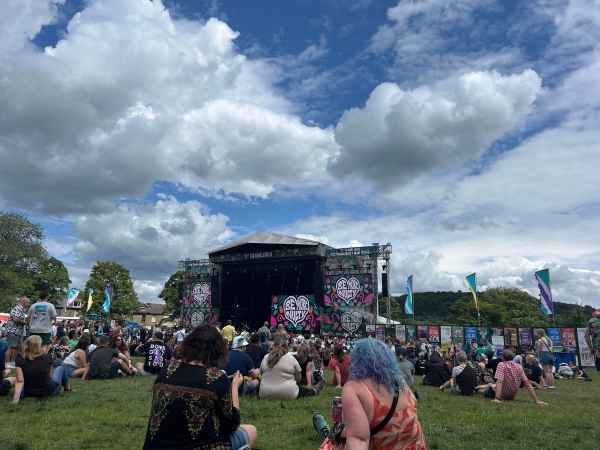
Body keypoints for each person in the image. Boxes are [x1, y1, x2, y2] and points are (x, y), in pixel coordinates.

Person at [142, 323, 257, 450]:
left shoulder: (166, 370)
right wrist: (234, 387)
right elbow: (233, 424)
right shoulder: (217, 377)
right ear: (218, 350)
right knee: (251, 430)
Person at [312, 338, 426, 449]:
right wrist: (350, 408)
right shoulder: (401, 382)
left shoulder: (353, 388)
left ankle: (329, 435)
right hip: (414, 445)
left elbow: (359, 440)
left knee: (333, 442)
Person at [259, 335, 324, 400]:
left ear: (273, 346)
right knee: (302, 389)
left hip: (264, 393)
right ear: (286, 346)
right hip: (289, 393)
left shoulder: (265, 358)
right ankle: (314, 391)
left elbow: (261, 374)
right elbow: (298, 379)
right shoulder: (291, 358)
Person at [12, 335, 73, 403]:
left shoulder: (20, 360)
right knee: (60, 368)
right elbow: (49, 375)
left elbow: (19, 381)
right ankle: (68, 388)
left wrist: (16, 399)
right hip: (49, 392)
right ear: (39, 345)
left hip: (28, 394)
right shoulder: (47, 357)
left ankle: (27, 395)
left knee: (22, 382)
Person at [475, 349, 548, 405]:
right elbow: (527, 383)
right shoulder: (518, 366)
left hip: (497, 392)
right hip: (510, 395)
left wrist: (497, 398)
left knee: (481, 391)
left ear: (503, 358)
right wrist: (537, 400)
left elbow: (499, 381)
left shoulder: (501, 364)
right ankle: (485, 385)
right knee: (491, 385)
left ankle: (476, 388)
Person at [4, 297, 31, 368]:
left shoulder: (21, 310)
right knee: (11, 347)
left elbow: (18, 318)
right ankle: (7, 362)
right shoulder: (18, 308)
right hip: (13, 331)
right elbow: (16, 319)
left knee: (19, 347)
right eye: (28, 303)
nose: (29, 305)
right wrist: (25, 323)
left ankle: (12, 361)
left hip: (19, 332)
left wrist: (25, 319)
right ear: (25, 302)